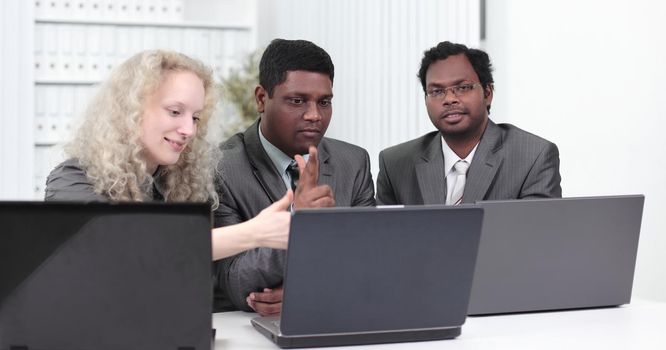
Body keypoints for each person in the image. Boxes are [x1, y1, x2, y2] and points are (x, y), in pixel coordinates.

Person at [45, 49, 292, 261]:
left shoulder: (179, 183)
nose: (188, 130)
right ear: (131, 110)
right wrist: (253, 233)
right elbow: (121, 247)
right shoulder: (72, 179)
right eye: (175, 112)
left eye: (195, 118)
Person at [214, 39, 375, 315]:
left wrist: (309, 292)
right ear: (262, 99)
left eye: (324, 102)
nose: (314, 115)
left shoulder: (353, 162)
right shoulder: (220, 168)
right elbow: (234, 280)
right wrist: (299, 223)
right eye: (297, 101)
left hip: (332, 318)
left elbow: (370, 261)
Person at [377, 41, 561, 205]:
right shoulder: (396, 164)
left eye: (462, 88)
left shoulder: (533, 157)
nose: (449, 99)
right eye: (437, 91)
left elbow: (536, 238)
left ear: (488, 93)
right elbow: (383, 238)